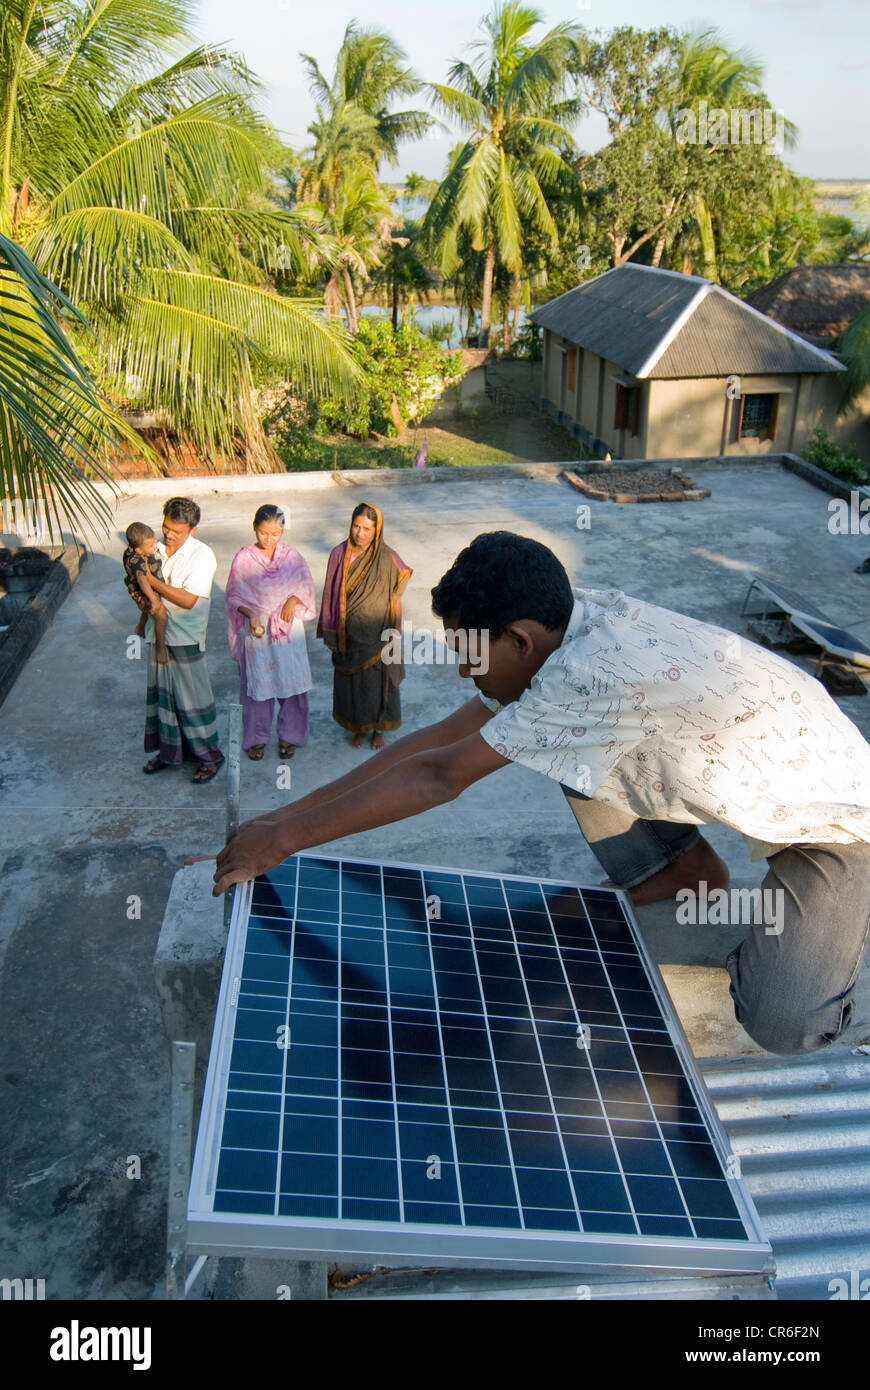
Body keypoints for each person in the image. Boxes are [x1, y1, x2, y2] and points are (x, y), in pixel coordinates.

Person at [211, 532, 870, 1057]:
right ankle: (682, 873)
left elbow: (440, 776)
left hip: (839, 822)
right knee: (540, 736)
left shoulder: (580, 681)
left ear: (520, 639)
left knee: (784, 1023)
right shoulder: (576, 619)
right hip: (786, 756)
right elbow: (435, 744)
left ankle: (838, 949)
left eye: (470, 655)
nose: (465, 671)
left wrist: (287, 840)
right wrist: (281, 820)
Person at [140, 496, 224, 784]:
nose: (169, 534)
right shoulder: (155, 548)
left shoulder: (202, 555)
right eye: (166, 527)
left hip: (186, 638)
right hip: (157, 635)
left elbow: (189, 600)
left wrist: (151, 582)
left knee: (193, 702)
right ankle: (169, 753)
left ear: (193, 529)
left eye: (177, 530)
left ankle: (210, 757)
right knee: (163, 699)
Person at [317, 502, 412, 751]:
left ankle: (379, 730)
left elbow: (395, 597)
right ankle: (358, 727)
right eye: (356, 526)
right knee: (352, 687)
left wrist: (396, 632)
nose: (360, 533)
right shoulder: (339, 554)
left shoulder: (387, 557)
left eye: (367, 528)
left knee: (379, 684)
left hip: (378, 635)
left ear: (377, 530)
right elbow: (330, 593)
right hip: (348, 635)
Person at [224, 505, 316, 760]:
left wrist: (292, 600)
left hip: (288, 631)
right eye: (264, 532)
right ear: (255, 529)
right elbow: (233, 596)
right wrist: (251, 614)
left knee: (293, 685)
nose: (269, 539)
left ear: (282, 531)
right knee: (258, 687)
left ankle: (290, 736)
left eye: (275, 533)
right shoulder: (244, 559)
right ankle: (256, 737)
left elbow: (305, 588)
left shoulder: (293, 558)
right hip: (258, 632)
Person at [122, 522, 169, 665]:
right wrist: (154, 600)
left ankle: (140, 626)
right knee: (161, 616)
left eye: (155, 542)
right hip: (144, 590)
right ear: (138, 549)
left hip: (143, 589)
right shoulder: (138, 561)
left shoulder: (132, 551)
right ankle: (160, 650)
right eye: (151, 546)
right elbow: (143, 581)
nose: (155, 546)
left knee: (148, 610)